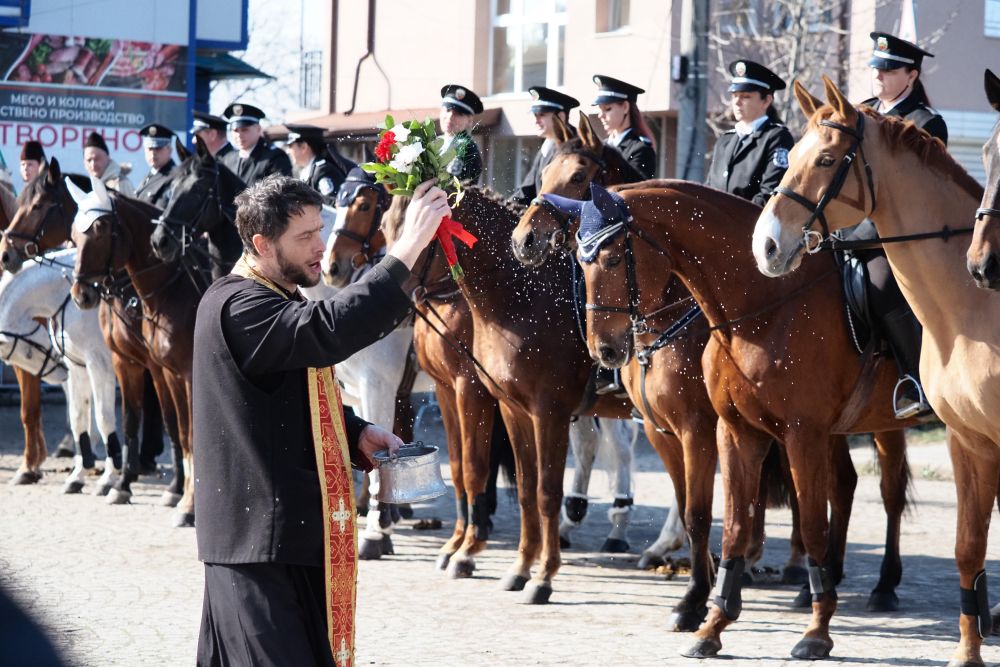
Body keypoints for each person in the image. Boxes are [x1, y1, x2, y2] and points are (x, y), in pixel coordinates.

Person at [193, 175, 449, 666]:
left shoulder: (275, 297)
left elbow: (291, 395)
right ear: (263, 244)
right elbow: (328, 331)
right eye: (304, 237)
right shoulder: (238, 303)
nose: (319, 247)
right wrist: (408, 246)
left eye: (319, 230)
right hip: (256, 550)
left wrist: (355, 433)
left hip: (288, 540)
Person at [844, 32, 946, 419]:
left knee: (882, 286)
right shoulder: (860, 113)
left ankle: (914, 379)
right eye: (876, 68)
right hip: (845, 235)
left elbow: (915, 196)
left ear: (911, 75)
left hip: (897, 241)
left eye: (888, 70)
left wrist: (859, 237)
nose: (879, 76)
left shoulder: (926, 123)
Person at [705, 60, 794, 207]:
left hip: (751, 225)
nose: (737, 102)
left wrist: (727, 219)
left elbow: (770, 194)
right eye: (734, 95)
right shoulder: (725, 140)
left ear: (766, 100)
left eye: (745, 96)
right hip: (716, 226)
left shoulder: (777, 137)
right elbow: (709, 188)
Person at [511, 86, 580, 205]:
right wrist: (503, 208)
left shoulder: (576, 146)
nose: (536, 121)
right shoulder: (548, 144)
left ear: (561, 117)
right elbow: (527, 189)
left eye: (542, 115)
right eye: (535, 116)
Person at [592, 74, 656, 179]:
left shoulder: (641, 150)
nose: (600, 115)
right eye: (600, 109)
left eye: (607, 109)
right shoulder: (601, 146)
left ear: (625, 107)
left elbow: (633, 191)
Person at [219, 102, 293, 185]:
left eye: (244, 130)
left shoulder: (275, 158)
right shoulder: (227, 159)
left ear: (258, 129)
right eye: (235, 130)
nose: (239, 135)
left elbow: (280, 193)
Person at [285, 123, 355, 206]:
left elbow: (333, 205)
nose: (288, 151)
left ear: (304, 147)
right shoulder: (309, 171)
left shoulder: (323, 171)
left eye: (290, 146)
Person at [439, 84, 483, 183]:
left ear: (469, 121)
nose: (450, 116)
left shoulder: (467, 149)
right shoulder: (435, 141)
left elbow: (451, 187)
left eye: (458, 113)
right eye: (448, 109)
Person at [134, 123, 176, 209]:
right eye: (149, 148)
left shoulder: (175, 178)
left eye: (158, 148)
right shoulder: (149, 176)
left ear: (170, 150)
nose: (153, 153)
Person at [83, 131, 135, 197]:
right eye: (89, 160)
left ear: (108, 159)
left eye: (97, 159)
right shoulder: (89, 187)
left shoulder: (121, 184)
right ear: (84, 163)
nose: (93, 164)